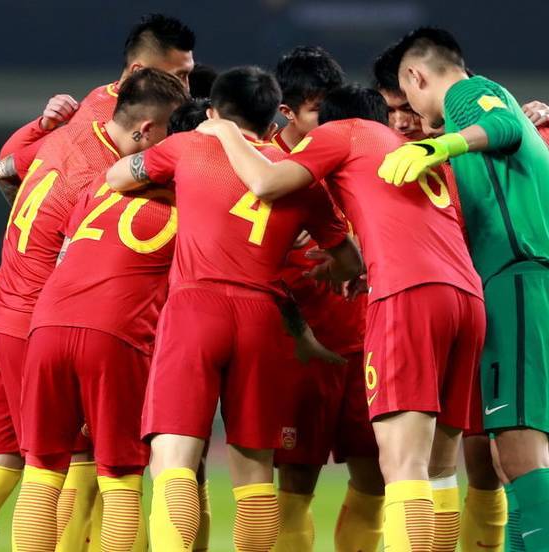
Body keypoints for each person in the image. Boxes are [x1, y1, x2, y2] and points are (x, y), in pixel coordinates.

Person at [196, 83, 485, 552]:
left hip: (403, 301)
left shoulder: (343, 134)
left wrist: (225, 130)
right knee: (439, 467)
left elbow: (266, 183)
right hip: (464, 297)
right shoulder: (412, 153)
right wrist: (360, 263)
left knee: (403, 468)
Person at [105, 66, 363, 551]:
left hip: (194, 310)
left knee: (175, 462)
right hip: (263, 318)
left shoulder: (186, 147)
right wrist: (332, 265)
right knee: (255, 473)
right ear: (271, 123)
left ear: (213, 112)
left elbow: (117, 175)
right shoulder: (300, 178)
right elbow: (350, 260)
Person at [0, 69, 186, 552]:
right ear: (147, 127)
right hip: (40, 322)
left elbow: (3, 169)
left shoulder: (70, 136)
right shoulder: (104, 175)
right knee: (84, 473)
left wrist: (40, 126)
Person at [379, 27, 549, 551]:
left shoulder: (468, 93)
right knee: (520, 464)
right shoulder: (480, 137)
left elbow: (503, 124)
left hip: (519, 284)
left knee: (519, 459)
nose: (412, 111)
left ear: (416, 76)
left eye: (408, 95)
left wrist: (439, 144)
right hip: (542, 287)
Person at [269, 47, 386, 552]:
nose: (334, 121)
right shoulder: (266, 167)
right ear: (287, 111)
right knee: (296, 484)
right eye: (319, 110)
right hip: (299, 346)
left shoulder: (356, 157)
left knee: (376, 479)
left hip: (364, 339)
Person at [0, 14, 196, 189]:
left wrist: (43, 127)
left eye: (188, 75)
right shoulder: (118, 121)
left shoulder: (102, 94)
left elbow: (7, 166)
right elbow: (7, 167)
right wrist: (43, 126)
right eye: (179, 76)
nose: (186, 87)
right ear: (139, 72)